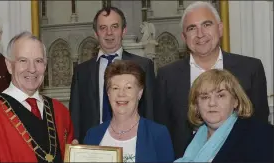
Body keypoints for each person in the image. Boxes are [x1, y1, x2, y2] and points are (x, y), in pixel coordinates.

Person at [155, 1, 269, 158]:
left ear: (220, 29)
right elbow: (162, 129)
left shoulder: (250, 69)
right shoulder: (166, 76)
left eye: (206, 24)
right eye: (192, 28)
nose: (200, 34)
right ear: (184, 37)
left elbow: (260, 123)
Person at [0, 31, 74, 162]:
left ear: (45, 66)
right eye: (23, 60)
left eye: (38, 61)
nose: (32, 69)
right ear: (9, 65)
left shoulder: (60, 111)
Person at [69, 6, 156, 143]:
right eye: (103, 28)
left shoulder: (143, 66)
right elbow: (75, 115)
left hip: (132, 141)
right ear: (96, 33)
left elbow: (150, 111)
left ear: (123, 31)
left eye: (114, 27)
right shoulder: (82, 72)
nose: (109, 33)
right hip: (94, 145)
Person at [83, 60, 174, 162]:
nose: (121, 94)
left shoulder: (158, 134)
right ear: (108, 94)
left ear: (139, 93)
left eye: (128, 87)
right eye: (115, 88)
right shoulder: (92, 135)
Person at [175, 69, 273, 162]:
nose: (212, 103)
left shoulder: (262, 135)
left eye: (220, 96)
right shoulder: (192, 141)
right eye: (205, 97)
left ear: (235, 101)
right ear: (196, 105)